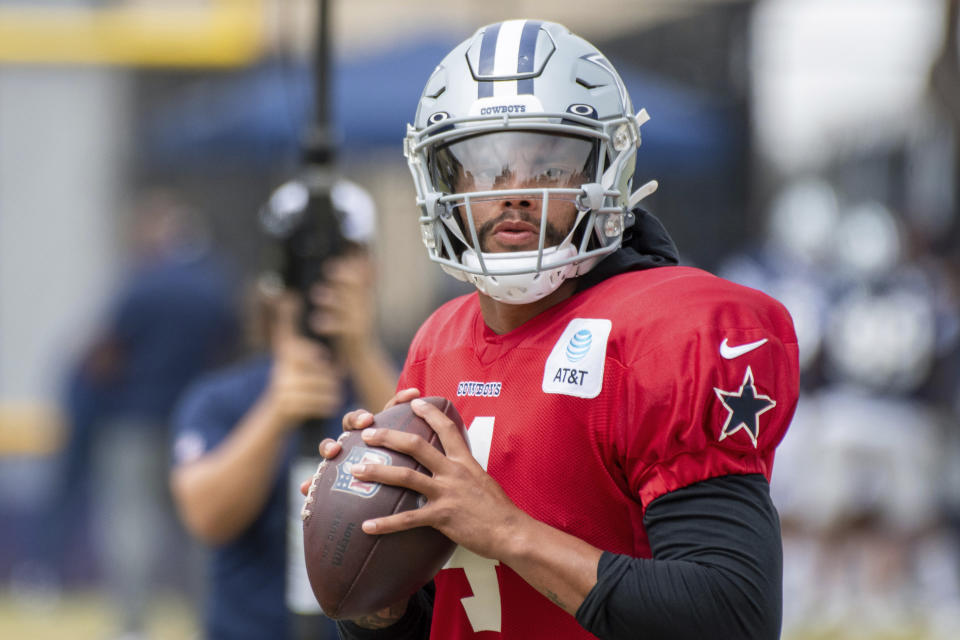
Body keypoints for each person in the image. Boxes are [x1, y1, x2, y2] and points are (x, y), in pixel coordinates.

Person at [312, 20, 800, 640]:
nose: (515, 190)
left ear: (605, 171)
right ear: (443, 179)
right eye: (484, 165)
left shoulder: (672, 332)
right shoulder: (439, 341)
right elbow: (449, 615)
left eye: (551, 164)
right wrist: (376, 598)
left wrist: (507, 530)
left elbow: (732, 614)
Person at [169, 180, 398, 640]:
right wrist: (276, 410)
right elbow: (206, 517)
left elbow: (435, 475)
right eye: (305, 259)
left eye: (344, 255)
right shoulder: (223, 397)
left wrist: (361, 350)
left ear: (369, 267)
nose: (322, 275)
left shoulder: (404, 377)